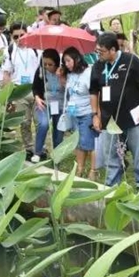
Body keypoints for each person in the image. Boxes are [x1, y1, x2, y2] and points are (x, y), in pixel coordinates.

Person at [90, 32, 139, 188]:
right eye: (97, 51)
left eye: (102, 51)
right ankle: (113, 183)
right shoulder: (97, 66)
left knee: (138, 150)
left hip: (131, 116)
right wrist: (95, 115)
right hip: (108, 117)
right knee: (110, 152)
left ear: (113, 50)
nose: (99, 54)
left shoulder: (130, 60)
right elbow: (93, 92)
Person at [5, 23, 44, 160]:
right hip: (19, 90)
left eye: (22, 35)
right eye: (16, 36)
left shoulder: (36, 48)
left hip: (36, 90)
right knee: (25, 122)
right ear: (11, 36)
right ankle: (29, 148)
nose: (19, 39)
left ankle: (40, 148)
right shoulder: (10, 51)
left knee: (40, 122)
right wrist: (8, 96)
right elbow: (6, 74)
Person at [60, 47, 98, 180]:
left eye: (68, 61)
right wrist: (61, 76)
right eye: (64, 62)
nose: (66, 64)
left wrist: (96, 114)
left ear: (77, 59)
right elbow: (69, 91)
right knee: (78, 142)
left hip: (87, 112)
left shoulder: (89, 73)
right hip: (74, 112)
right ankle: (79, 169)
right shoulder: (70, 74)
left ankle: (93, 170)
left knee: (90, 142)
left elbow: (95, 93)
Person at [32, 49, 66, 154]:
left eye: (50, 64)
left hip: (60, 105)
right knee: (43, 124)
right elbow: (35, 87)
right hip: (44, 103)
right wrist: (37, 98)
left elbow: (69, 88)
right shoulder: (41, 71)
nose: (47, 66)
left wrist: (61, 77)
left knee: (58, 131)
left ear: (56, 62)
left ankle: (57, 155)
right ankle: (38, 152)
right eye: (45, 64)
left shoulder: (63, 71)